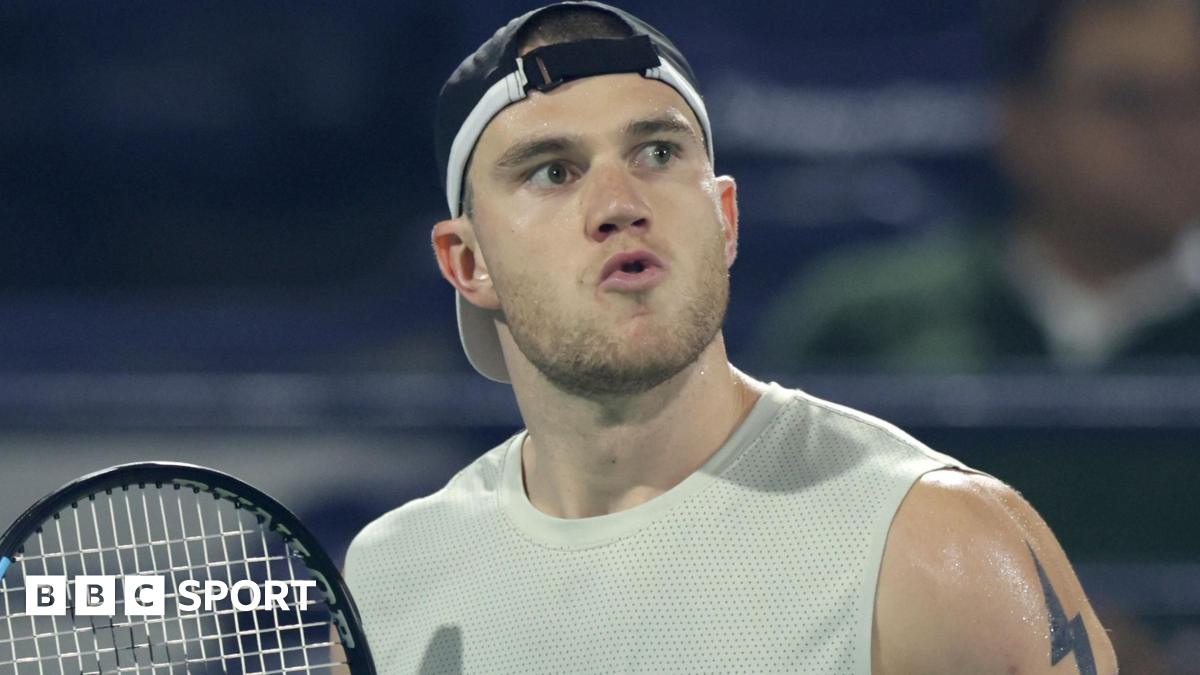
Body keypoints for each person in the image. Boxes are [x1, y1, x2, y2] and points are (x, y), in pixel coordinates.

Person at [344, 3, 1117, 673]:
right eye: (552, 171)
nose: (619, 203)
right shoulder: (393, 579)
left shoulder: (940, 548)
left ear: (726, 219)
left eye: (658, 152)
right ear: (468, 262)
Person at [756, 0, 1200, 373]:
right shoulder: (864, 327)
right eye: (1128, 102)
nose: (1177, 137)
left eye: (1192, 101)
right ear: (1022, 123)